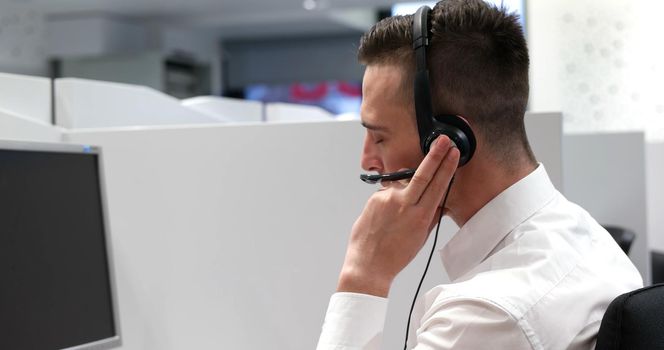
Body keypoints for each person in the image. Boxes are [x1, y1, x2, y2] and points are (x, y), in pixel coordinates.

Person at [316, 0, 643, 349]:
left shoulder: (489, 315)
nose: (368, 161)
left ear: (449, 141)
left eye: (379, 137)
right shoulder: (583, 232)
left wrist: (364, 274)